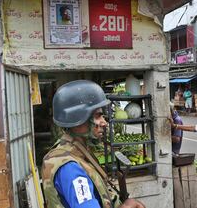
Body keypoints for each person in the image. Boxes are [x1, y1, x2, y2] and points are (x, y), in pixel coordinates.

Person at [41, 80, 145, 208]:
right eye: (98, 116)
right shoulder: (69, 167)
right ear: (79, 118)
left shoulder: (76, 150)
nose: (104, 123)